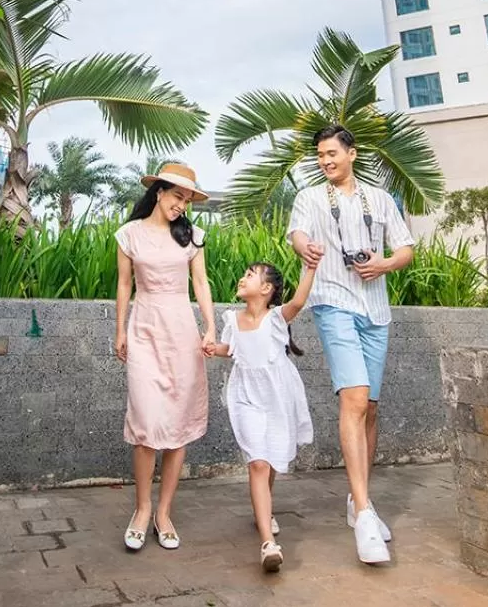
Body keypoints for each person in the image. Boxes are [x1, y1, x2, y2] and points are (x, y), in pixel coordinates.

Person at [287, 124, 415, 565]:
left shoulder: (379, 199)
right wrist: (307, 249)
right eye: (320, 155)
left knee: (370, 407)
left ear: (351, 154)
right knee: (354, 399)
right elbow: (298, 234)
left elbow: (406, 248)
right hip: (333, 304)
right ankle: (363, 515)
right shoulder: (309, 197)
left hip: (376, 310)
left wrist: (383, 264)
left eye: (331, 153)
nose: (325, 161)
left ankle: (357, 498)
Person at [114, 161, 217, 553]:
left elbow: (201, 284)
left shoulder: (192, 236)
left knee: (176, 422)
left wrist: (210, 327)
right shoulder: (129, 235)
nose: (182, 205)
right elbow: (125, 285)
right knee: (145, 421)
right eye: (177, 196)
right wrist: (120, 329)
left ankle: (164, 513)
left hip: (181, 330)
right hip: (144, 328)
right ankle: (141, 510)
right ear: (158, 192)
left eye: (187, 200)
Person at [203, 259, 316, 573]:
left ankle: (264, 509)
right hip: (246, 397)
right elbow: (231, 348)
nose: (242, 277)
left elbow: (299, 301)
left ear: (266, 289)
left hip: (278, 398)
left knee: (273, 459)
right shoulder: (232, 318)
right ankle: (268, 543)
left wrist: (311, 268)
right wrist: (214, 349)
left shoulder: (277, 318)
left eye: (250, 275)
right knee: (258, 462)